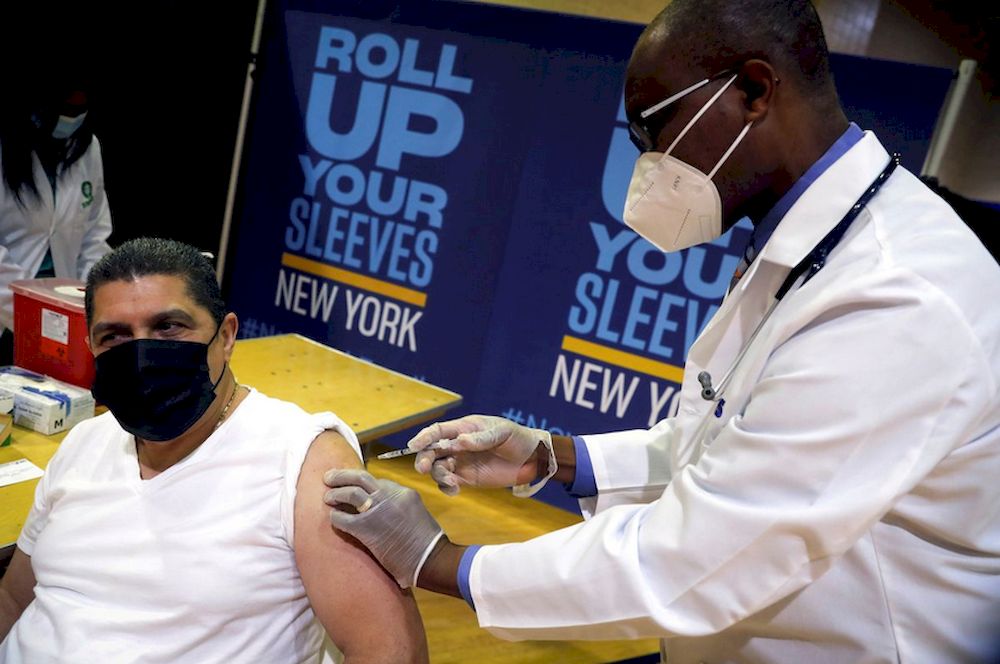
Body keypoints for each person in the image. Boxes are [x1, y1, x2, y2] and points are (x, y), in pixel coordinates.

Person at [322, 1, 1000, 662]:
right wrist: (555, 459)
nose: (648, 166)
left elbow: (703, 558)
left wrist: (442, 562)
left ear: (754, 91)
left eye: (655, 130)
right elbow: (733, 441)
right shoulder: (809, 244)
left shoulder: (896, 298)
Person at [0, 238, 427, 663]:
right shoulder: (83, 442)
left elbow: (389, 651)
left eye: (169, 327)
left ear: (226, 335)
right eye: (115, 336)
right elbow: (13, 597)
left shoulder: (301, 460)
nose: (142, 353)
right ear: (91, 346)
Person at [0, 63, 113, 364]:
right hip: (8, 311)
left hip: (63, 320)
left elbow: (94, 237)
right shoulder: (6, 148)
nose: (71, 118)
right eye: (66, 107)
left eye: (80, 109)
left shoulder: (87, 148)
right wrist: (30, 311)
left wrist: (94, 306)